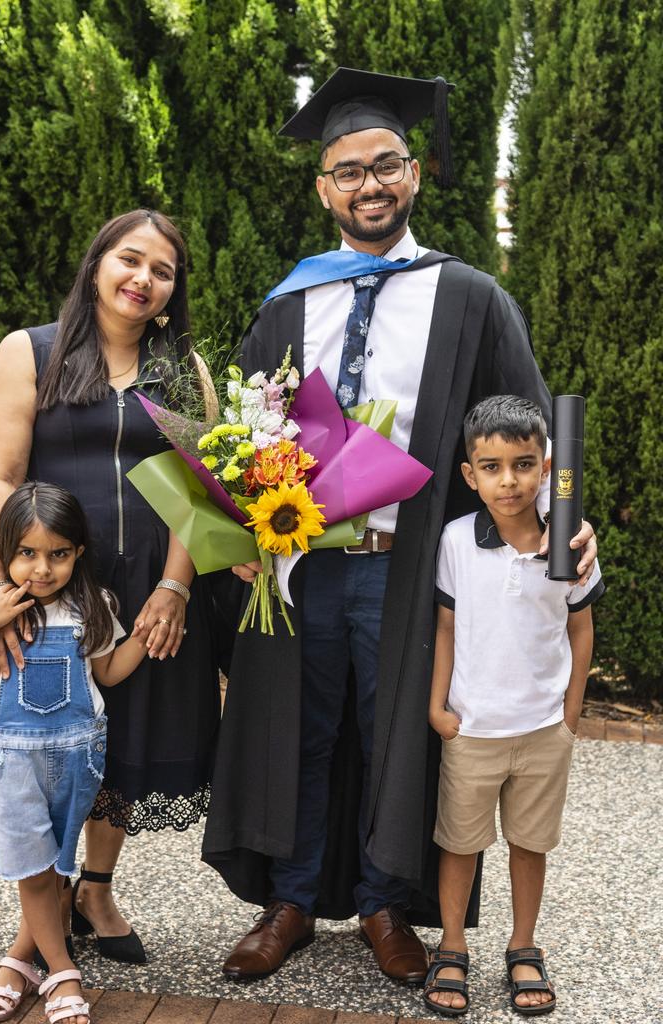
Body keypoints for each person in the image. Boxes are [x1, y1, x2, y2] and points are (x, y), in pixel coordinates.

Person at [202, 68, 598, 982]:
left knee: (397, 734)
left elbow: (528, 419)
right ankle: (293, 897)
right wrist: (235, 529)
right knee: (299, 728)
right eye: (348, 171)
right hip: (302, 565)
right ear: (323, 188)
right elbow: (243, 435)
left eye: (386, 166)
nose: (368, 184)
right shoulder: (289, 303)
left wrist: (563, 521)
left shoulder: (468, 297)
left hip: (410, 563)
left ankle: (386, 903)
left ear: (413, 175)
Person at [0, 209, 222, 988]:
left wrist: (177, 585)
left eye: (162, 270)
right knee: (43, 748)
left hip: (148, 594)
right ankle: (37, 925)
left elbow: (200, 495)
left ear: (173, 290)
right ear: (98, 263)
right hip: (48, 585)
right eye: (130, 260)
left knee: (125, 742)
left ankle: (95, 891)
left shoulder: (183, 371)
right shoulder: (28, 352)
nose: (143, 279)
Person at [423, 396, 603, 1017]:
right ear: (470, 474)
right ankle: (451, 945)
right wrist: (437, 706)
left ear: (548, 467)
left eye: (524, 464)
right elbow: (445, 628)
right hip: (472, 726)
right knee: (461, 842)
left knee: (530, 844)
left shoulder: (571, 544)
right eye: (492, 466)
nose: (509, 480)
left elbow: (581, 630)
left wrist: (571, 714)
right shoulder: (455, 540)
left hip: (543, 729)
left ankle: (524, 944)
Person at [0, 483, 155, 1023]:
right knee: (33, 870)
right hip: (11, 763)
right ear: (5, 550)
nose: (41, 569)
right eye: (27, 553)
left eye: (58, 554)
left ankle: (18, 966)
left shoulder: (92, 606)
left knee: (54, 867)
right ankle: (62, 973)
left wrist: (148, 630)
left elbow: (109, 671)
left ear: (78, 554)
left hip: (76, 760)